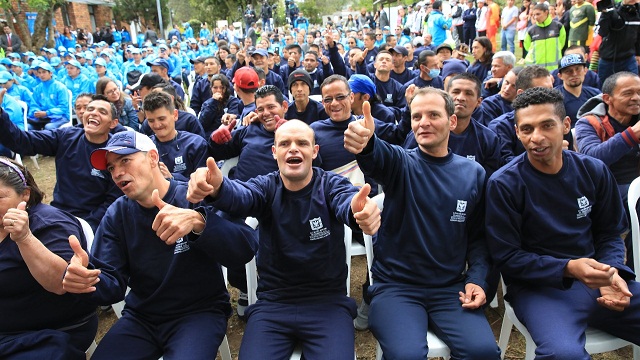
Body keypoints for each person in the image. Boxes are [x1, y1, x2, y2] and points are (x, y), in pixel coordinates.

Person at [187, 119, 381, 360]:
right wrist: (219, 187)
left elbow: (346, 201)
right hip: (274, 304)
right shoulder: (266, 186)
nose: (293, 148)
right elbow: (241, 196)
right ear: (274, 152)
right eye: (285, 143)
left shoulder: (330, 184)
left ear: (314, 151)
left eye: (302, 143)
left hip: (328, 303)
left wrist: (358, 211)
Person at [62, 130, 257, 359]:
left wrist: (200, 223)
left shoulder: (192, 196)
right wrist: (88, 279)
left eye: (125, 160)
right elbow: (112, 283)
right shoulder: (117, 214)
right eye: (111, 167)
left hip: (199, 312)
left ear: (153, 158)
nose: (117, 173)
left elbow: (244, 248)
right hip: (143, 316)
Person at [343, 88, 501, 359]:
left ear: (452, 121)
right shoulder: (402, 162)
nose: (423, 122)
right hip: (396, 288)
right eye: (417, 116)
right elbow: (378, 155)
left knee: (483, 352)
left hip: (450, 288)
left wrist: (476, 280)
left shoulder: (473, 173)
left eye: (433, 115)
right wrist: (367, 142)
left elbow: (478, 238)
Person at [485, 87, 640, 359]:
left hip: (596, 277)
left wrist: (611, 272)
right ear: (517, 132)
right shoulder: (504, 184)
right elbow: (506, 257)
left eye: (547, 125)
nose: (537, 138)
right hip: (540, 290)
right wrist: (568, 268)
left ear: (566, 125)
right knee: (563, 354)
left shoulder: (592, 170)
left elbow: (610, 234)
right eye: (527, 129)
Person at [0, 157, 97, 359]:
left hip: (51, 333)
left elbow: (61, 283)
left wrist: (25, 238)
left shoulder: (48, 223)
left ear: (25, 194)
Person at [0, 91, 123, 231]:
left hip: (93, 221)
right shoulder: (66, 136)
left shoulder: (116, 153)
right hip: (59, 214)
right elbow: (22, 141)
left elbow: (113, 200)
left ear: (113, 123)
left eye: (102, 111)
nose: (94, 113)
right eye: (90, 109)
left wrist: (86, 226)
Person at [575, 71, 640, 268]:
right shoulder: (589, 123)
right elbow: (592, 157)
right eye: (628, 93)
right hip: (609, 189)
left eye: (639, 92)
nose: (636, 98)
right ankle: (633, 270)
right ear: (607, 98)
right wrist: (632, 134)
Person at [143, 91, 207, 181]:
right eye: (151, 121)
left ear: (175, 115)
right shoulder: (145, 148)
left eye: (161, 119)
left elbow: (204, 184)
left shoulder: (195, 144)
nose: (157, 125)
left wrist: (172, 178)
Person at [596, 0, 640, 88]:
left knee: (633, 86)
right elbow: (603, 32)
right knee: (605, 89)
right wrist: (605, 14)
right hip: (608, 59)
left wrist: (638, 53)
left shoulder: (638, 12)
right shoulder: (613, 10)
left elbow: (638, 35)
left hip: (629, 58)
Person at [555, 54, 601, 127]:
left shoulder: (596, 94)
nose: (574, 74)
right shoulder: (554, 97)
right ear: (560, 76)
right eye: (568, 71)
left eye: (578, 69)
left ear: (585, 71)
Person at [27, 62, 70, 130]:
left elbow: (63, 107)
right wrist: (36, 111)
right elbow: (33, 104)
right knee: (28, 127)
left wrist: (47, 113)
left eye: (44, 72)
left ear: (50, 73)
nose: (41, 75)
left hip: (60, 117)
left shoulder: (60, 87)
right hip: (42, 118)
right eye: (39, 72)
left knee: (49, 127)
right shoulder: (38, 88)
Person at [524, 3, 566, 71]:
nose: (535, 17)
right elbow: (527, 47)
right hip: (536, 70)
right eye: (533, 15)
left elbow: (562, 43)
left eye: (538, 14)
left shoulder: (558, 27)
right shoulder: (531, 31)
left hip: (554, 70)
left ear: (546, 12)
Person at [199, 74, 242, 138]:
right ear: (211, 88)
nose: (218, 90)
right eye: (215, 88)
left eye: (222, 87)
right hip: (209, 137)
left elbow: (233, 118)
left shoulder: (233, 101)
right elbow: (202, 124)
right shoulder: (207, 103)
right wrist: (213, 102)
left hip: (227, 136)